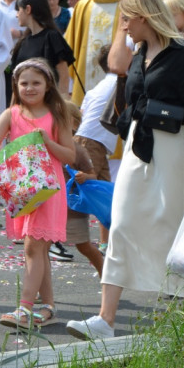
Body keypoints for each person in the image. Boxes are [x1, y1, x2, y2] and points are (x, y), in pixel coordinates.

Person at [66, 0, 184, 340]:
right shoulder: (140, 51)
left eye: (127, 18)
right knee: (121, 224)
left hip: (175, 148)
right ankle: (105, 320)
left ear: (145, 17)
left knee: (175, 230)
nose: (123, 25)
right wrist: (127, 124)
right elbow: (120, 75)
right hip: (139, 146)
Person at [0, 58, 75, 328]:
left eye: (36, 82)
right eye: (24, 83)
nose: (30, 88)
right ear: (16, 85)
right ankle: (47, 308)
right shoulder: (11, 115)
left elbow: (69, 155)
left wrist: (47, 142)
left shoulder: (57, 115)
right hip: (21, 192)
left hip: (49, 192)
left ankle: (24, 308)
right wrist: (4, 175)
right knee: (39, 249)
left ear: (48, 85)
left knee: (33, 247)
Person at [73, 44, 119, 254]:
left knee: (104, 192)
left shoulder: (99, 86)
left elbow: (82, 111)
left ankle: (105, 242)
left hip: (88, 139)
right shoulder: (119, 82)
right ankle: (58, 238)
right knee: (91, 188)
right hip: (92, 142)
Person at [66, 0, 126, 103]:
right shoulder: (83, 5)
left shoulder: (129, 3)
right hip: (85, 77)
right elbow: (70, 44)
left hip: (119, 74)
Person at [64, 101, 105, 276]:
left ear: (73, 124)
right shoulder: (47, 146)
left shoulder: (78, 150)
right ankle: (40, 289)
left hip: (73, 210)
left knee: (84, 245)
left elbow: (93, 175)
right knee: (40, 249)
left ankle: (105, 275)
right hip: (52, 209)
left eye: (61, 118)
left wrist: (84, 176)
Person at [11, 0, 76, 97]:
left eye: (19, 10)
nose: (17, 15)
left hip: (49, 105)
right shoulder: (23, 42)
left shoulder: (52, 37)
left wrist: (62, 106)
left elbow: (63, 75)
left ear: (28, 9)